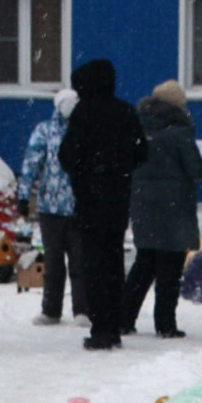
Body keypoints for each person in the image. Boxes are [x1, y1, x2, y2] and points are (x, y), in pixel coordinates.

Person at [59, 56, 144, 352]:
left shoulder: (83, 113)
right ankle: (115, 325)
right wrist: (118, 168)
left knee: (93, 263)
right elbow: (141, 152)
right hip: (118, 198)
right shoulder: (125, 112)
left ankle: (101, 329)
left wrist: (86, 171)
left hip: (89, 199)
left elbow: (67, 156)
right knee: (113, 262)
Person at [119, 80, 201, 341]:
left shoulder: (136, 127)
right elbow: (195, 169)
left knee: (144, 264)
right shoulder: (179, 131)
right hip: (174, 206)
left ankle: (124, 317)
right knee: (171, 266)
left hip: (143, 202)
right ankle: (165, 323)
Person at [17, 85, 83, 326]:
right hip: (50, 207)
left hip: (79, 206)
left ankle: (82, 309)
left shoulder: (85, 129)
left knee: (79, 261)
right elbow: (31, 164)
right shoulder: (45, 131)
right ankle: (51, 309)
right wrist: (24, 196)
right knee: (54, 262)